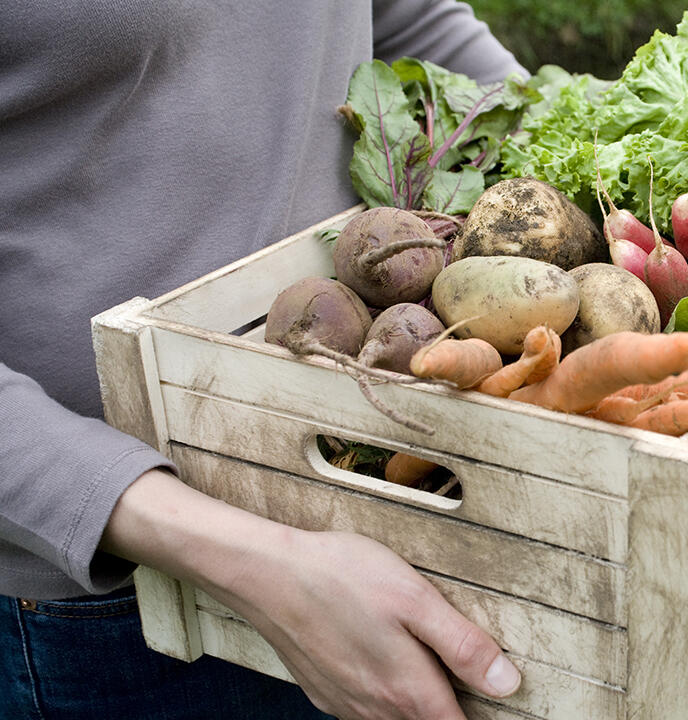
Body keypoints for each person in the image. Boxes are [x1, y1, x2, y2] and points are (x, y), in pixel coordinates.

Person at [0, 2, 529, 718]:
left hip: (381, 483)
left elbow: (408, 18)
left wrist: (577, 155)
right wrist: (254, 565)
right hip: (132, 597)